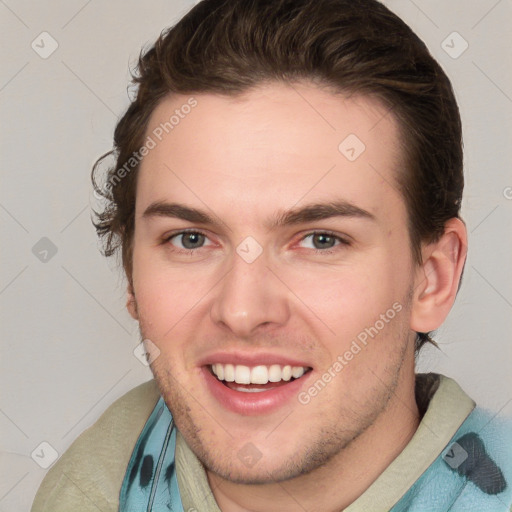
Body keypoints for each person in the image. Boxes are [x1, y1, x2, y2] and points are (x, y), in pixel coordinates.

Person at [31, 0, 512, 510]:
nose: (242, 311)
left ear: (432, 279)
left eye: (321, 240)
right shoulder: (90, 487)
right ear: (131, 272)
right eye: (191, 239)